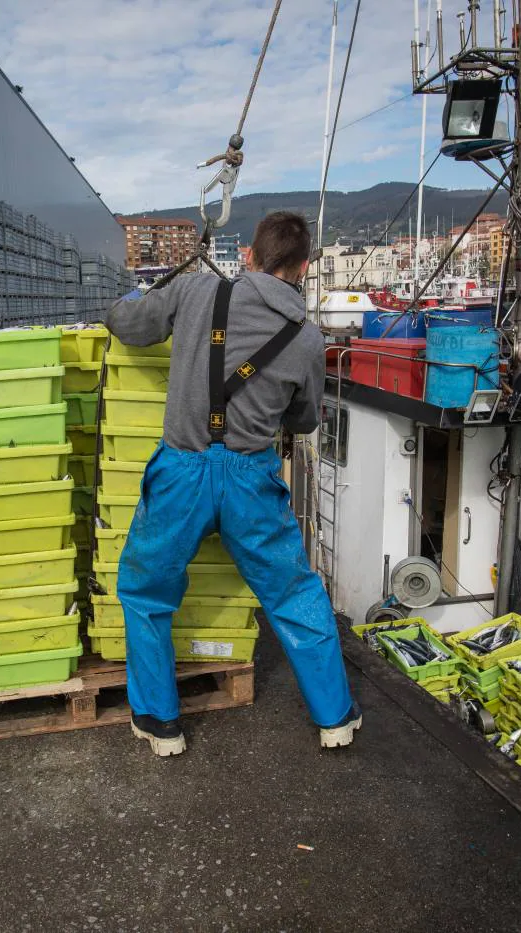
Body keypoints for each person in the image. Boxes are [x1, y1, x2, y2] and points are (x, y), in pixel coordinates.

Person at [105, 211, 358, 757]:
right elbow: (305, 420)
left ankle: (159, 723)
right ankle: (335, 717)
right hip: (251, 478)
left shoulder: (195, 291)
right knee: (292, 593)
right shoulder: (307, 338)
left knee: (147, 592)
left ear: (248, 256)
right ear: (304, 267)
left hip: (181, 471)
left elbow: (133, 324)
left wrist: (120, 303)